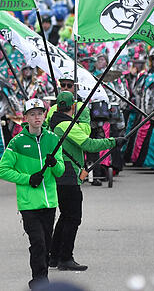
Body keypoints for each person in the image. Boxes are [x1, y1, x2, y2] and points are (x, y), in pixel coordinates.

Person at [47, 91, 124, 270]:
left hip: (62, 173)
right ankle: (65, 258)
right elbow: (88, 144)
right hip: (68, 174)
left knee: (65, 216)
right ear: (72, 107)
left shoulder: (54, 123)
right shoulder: (66, 125)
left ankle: (54, 256)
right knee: (73, 217)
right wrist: (113, 141)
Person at [0, 98, 65, 289]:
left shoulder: (52, 139)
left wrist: (55, 163)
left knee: (46, 244)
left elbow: (60, 171)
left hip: (49, 202)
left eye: (40, 113)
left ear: (45, 116)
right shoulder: (16, 142)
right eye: (32, 114)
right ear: (25, 118)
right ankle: (39, 280)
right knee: (38, 243)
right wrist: (28, 178)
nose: (37, 117)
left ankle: (41, 278)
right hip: (28, 204)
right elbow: (2, 170)